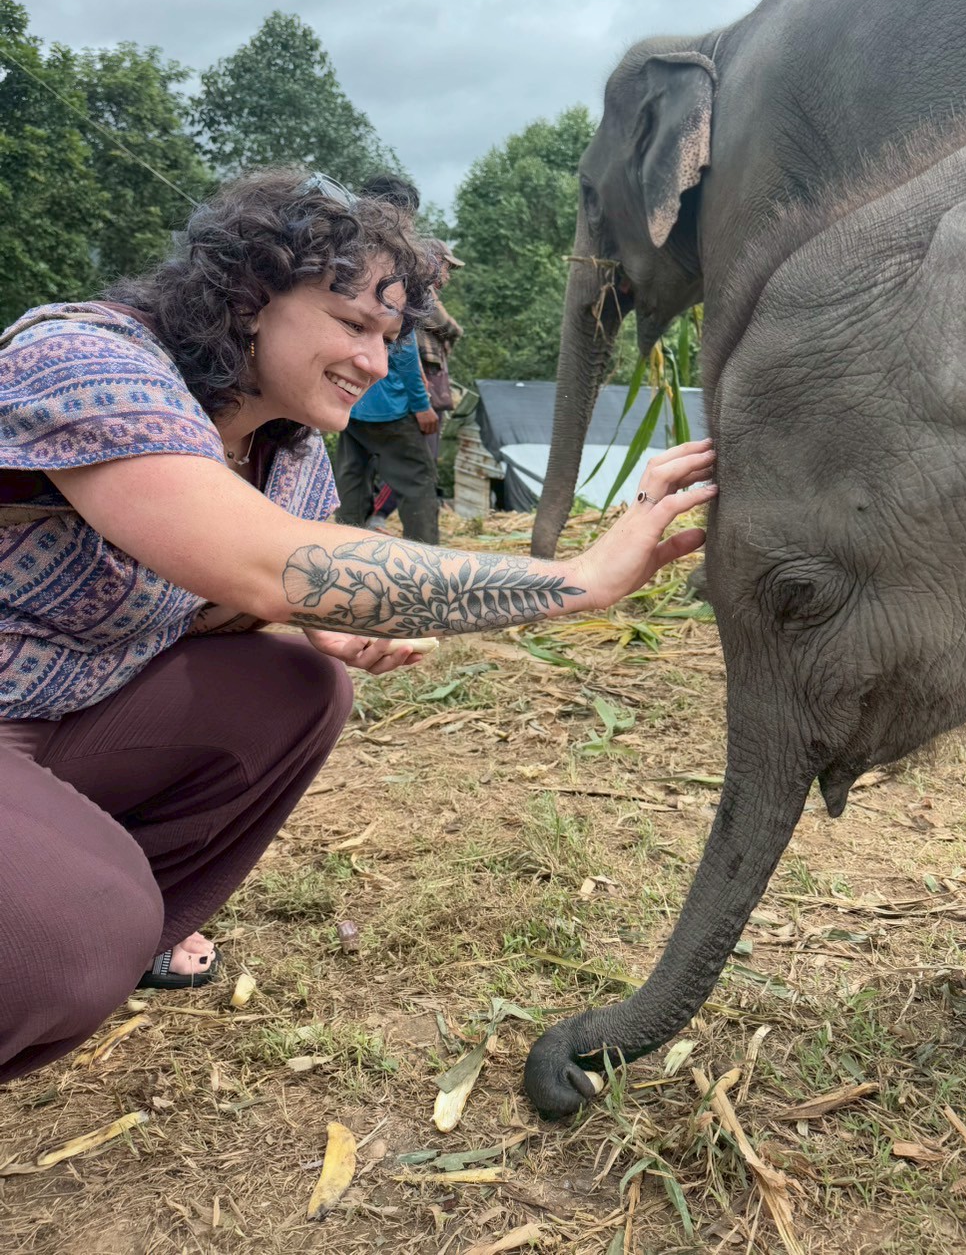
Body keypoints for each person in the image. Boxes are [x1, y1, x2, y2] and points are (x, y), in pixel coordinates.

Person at [0, 167, 716, 1083]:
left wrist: (308, 621)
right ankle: (68, 931)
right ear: (251, 296)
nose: (378, 362)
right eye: (352, 325)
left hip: (53, 710)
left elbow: (255, 580)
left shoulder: (285, 453)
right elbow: (272, 561)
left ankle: (106, 921)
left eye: (391, 335)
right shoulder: (90, 361)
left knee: (299, 686)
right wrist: (575, 579)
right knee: (77, 929)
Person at [332, 326, 442, 541]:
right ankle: (424, 558)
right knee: (417, 483)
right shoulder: (397, 296)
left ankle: (344, 547)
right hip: (391, 411)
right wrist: (421, 406)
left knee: (352, 476)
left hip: (352, 403)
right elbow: (405, 353)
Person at [416, 241, 465, 466]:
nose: (448, 274)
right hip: (425, 379)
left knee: (428, 451)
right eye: (446, 266)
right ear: (432, 260)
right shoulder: (420, 290)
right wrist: (452, 328)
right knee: (424, 452)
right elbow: (447, 325)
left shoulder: (426, 291)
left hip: (429, 376)